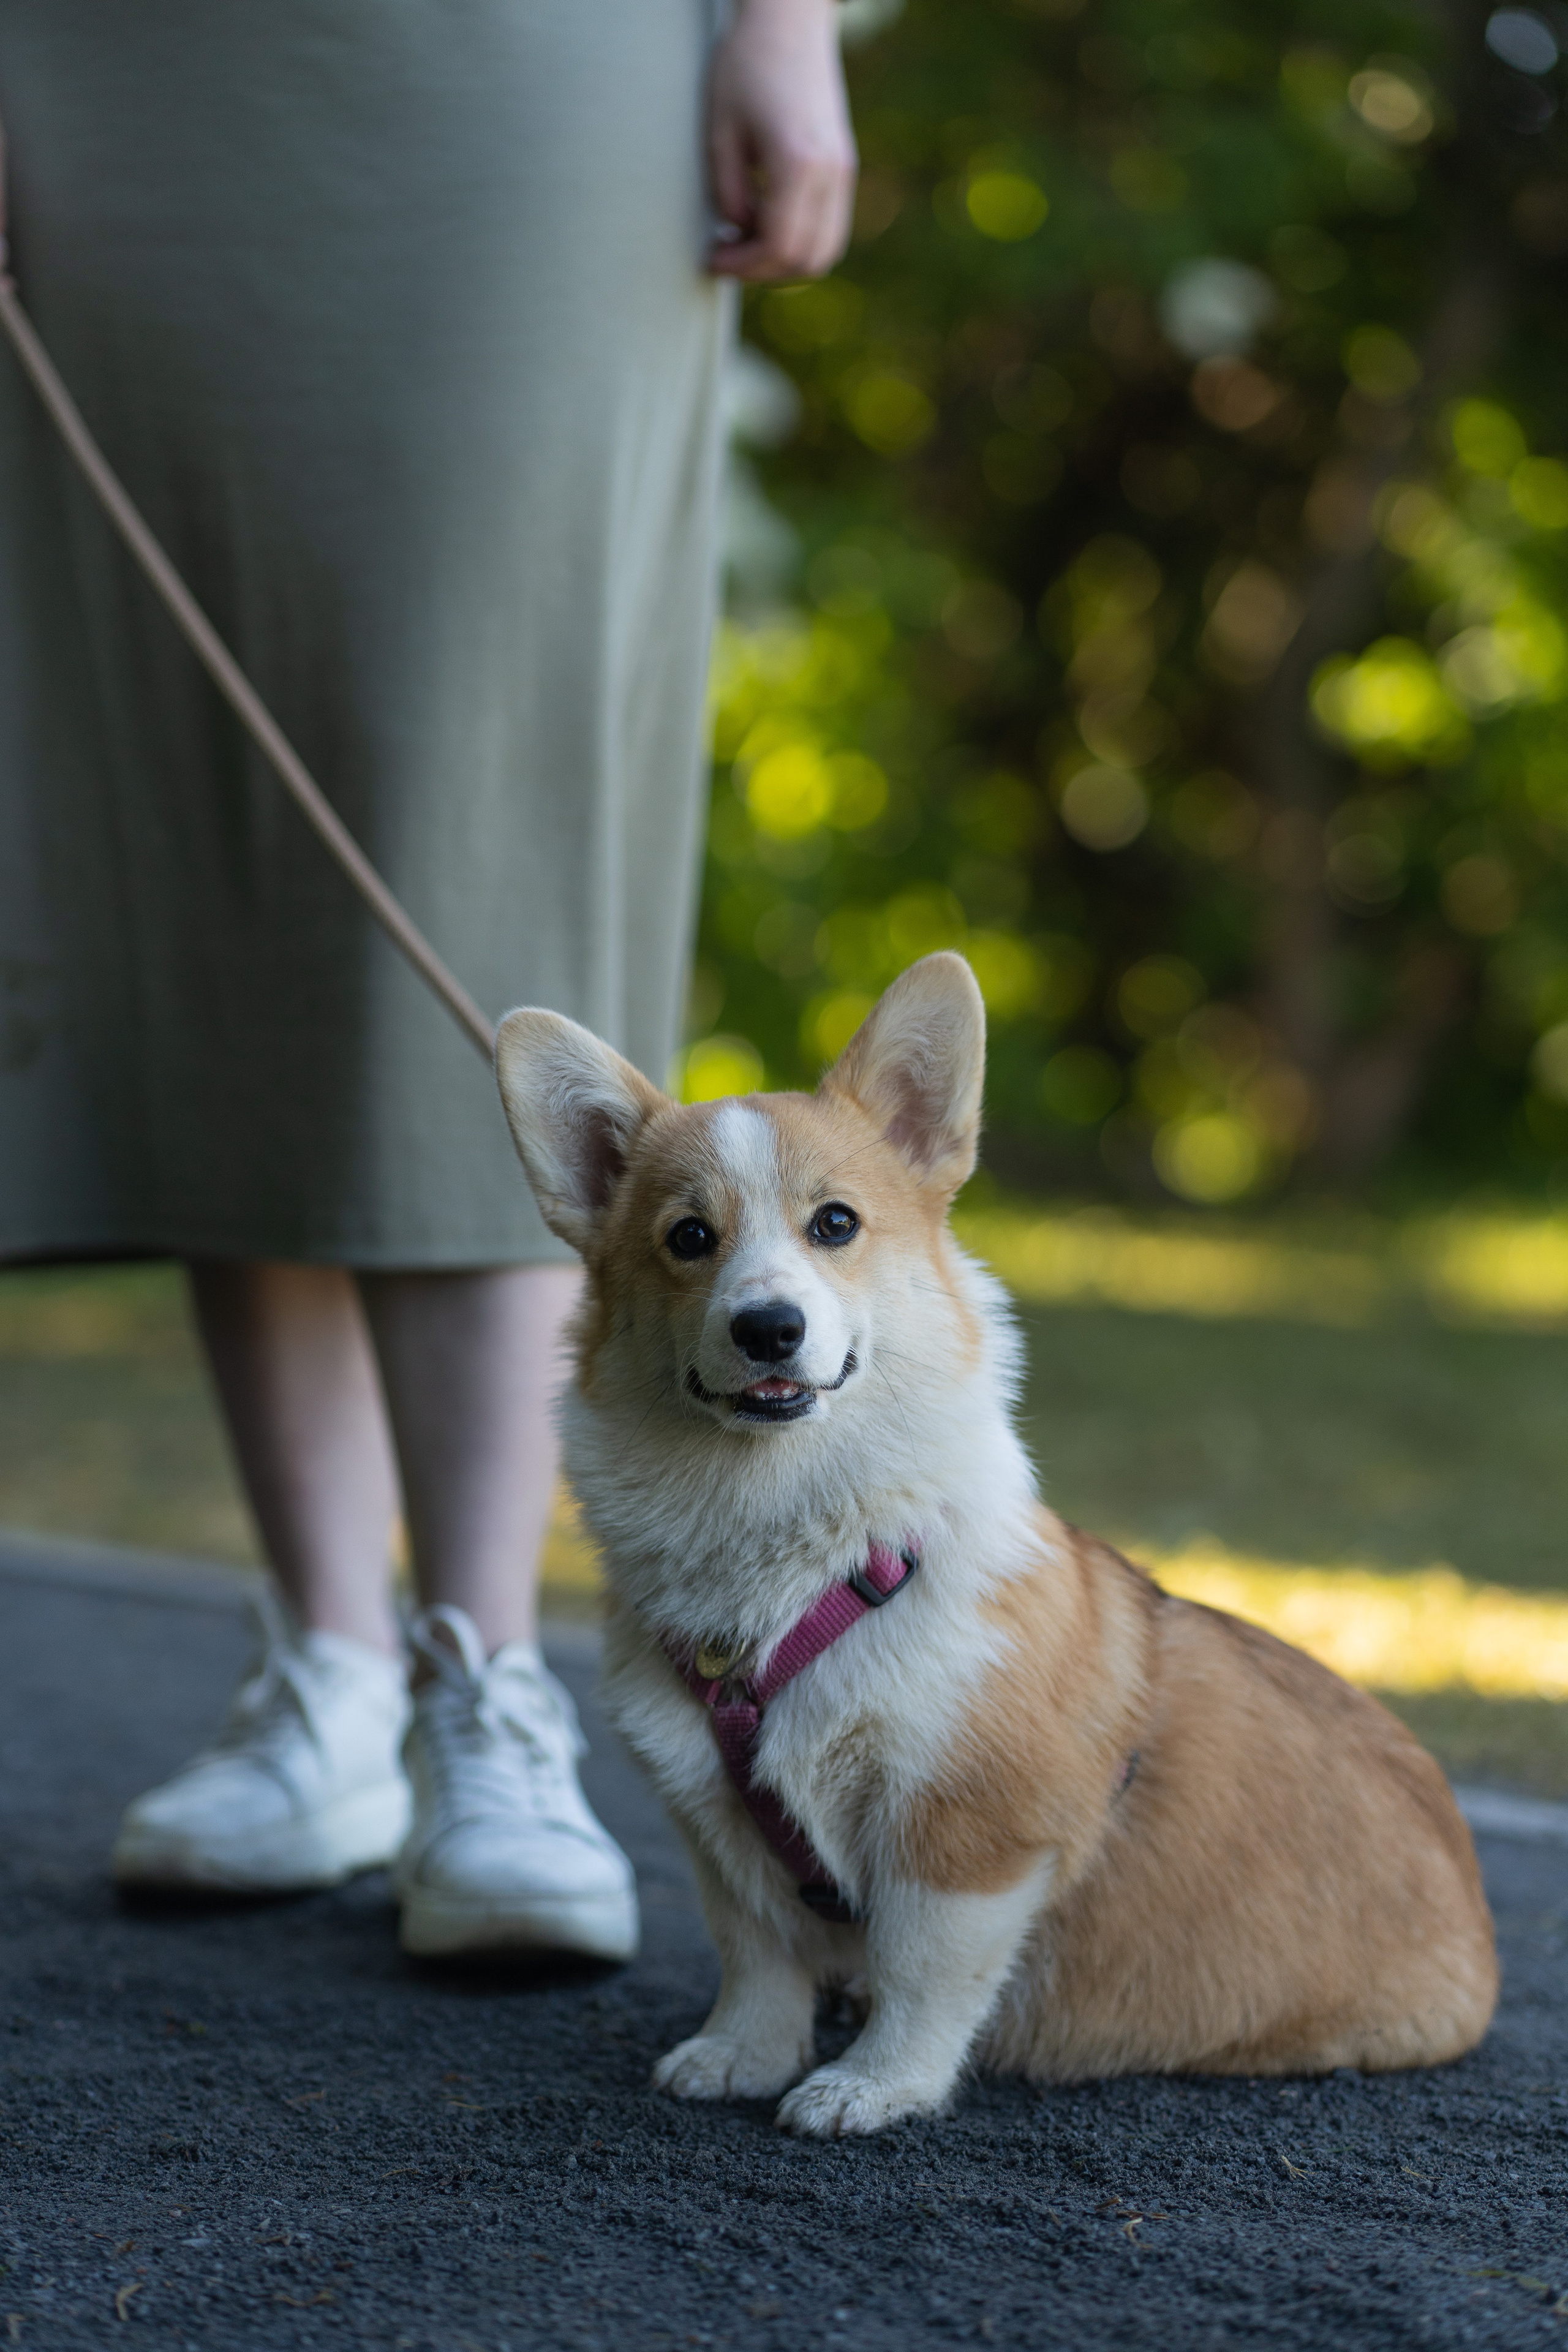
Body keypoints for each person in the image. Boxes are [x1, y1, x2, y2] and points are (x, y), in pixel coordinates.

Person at [0, 0, 856, 1960]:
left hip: (532, 70)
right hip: (117, 72)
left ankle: (490, 1687)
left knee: (483, 809)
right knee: (230, 847)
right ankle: (328, 1674)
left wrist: (788, 20)